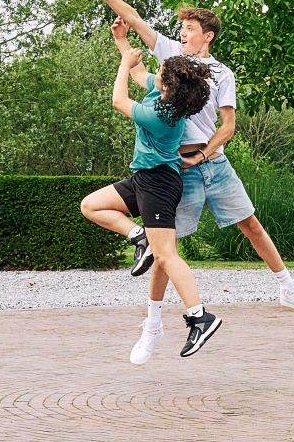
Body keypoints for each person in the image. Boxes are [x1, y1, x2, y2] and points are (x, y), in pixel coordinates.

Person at [67, 0, 294, 365]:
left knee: (250, 225)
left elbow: (228, 127)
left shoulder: (221, 74)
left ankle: (288, 287)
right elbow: (134, 20)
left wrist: (203, 155)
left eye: (189, 29)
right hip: (176, 169)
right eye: (181, 28)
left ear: (208, 36)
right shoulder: (171, 60)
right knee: (164, 252)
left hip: (211, 163)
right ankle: (153, 324)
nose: (182, 34)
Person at [79, 44, 224, 358]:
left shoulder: (162, 115)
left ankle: (200, 316)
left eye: (161, 71)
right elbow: (139, 73)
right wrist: (123, 42)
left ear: (168, 85)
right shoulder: (164, 93)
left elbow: (118, 100)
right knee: (91, 205)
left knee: (167, 257)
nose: (156, 72)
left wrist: (123, 62)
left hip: (159, 184)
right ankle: (138, 235)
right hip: (143, 178)